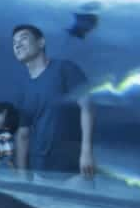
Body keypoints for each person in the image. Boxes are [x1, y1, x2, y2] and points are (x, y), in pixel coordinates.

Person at [10, 23, 96, 180]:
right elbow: (23, 134)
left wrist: (86, 152)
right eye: (14, 43)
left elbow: (87, 107)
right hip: (39, 172)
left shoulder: (65, 69)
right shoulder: (23, 90)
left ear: (41, 42)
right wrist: (22, 174)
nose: (17, 44)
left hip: (74, 170)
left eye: (23, 38)